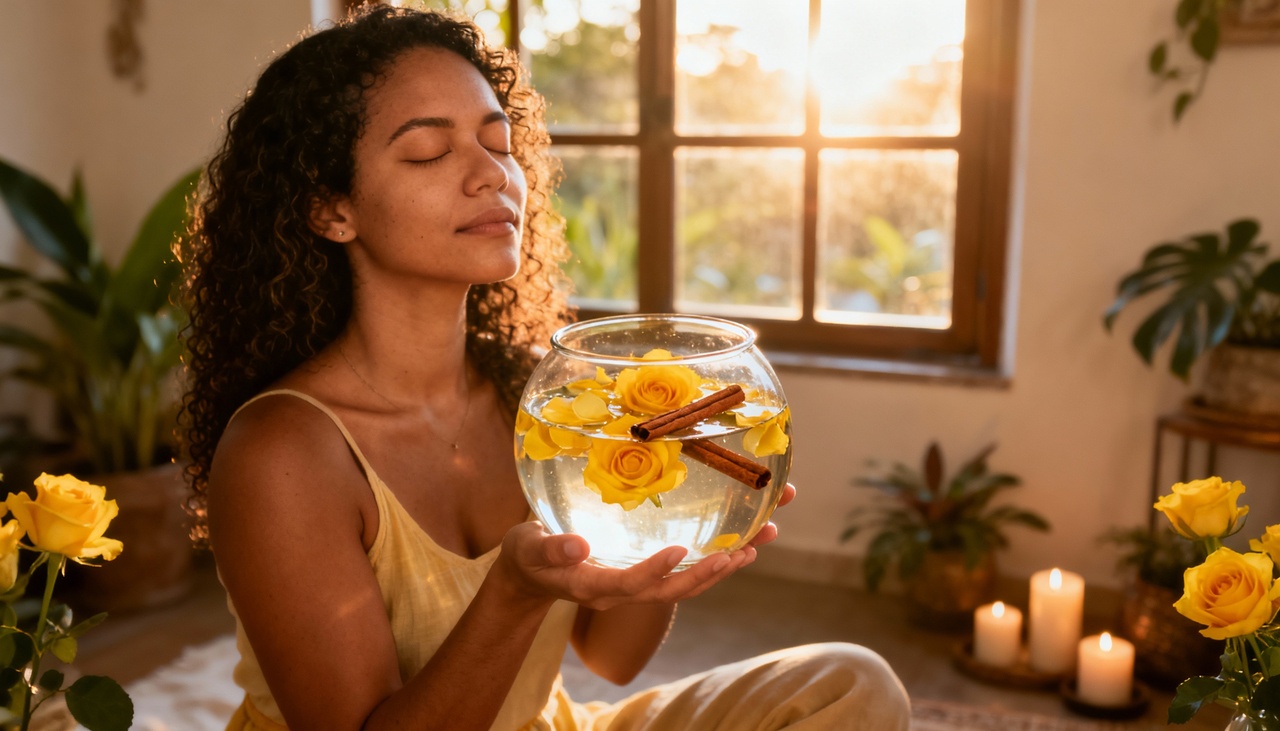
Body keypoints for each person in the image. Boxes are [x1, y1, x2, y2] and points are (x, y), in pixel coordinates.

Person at [178, 6, 910, 731]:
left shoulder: (547, 400)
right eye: (431, 151)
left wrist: (669, 538)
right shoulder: (283, 452)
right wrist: (514, 594)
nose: (490, 175)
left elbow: (612, 657)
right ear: (330, 209)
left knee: (849, 685)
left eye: (498, 143)